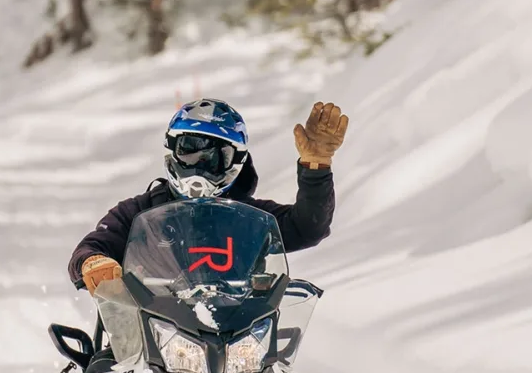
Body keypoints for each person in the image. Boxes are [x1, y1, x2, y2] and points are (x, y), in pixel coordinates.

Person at [71, 98, 349, 293]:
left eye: (215, 157)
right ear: (171, 150)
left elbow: (309, 227)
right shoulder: (137, 212)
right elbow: (93, 245)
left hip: (239, 338)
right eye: (189, 150)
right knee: (102, 370)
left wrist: (317, 166)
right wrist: (93, 262)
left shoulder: (252, 218)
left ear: (237, 161)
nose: (197, 166)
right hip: (145, 336)